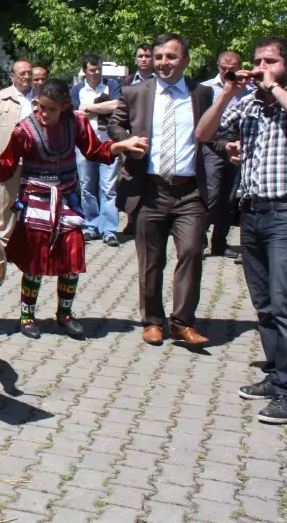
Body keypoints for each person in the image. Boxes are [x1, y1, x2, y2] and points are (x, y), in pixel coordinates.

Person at [196, 36, 287, 425]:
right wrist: (227, 94)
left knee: (286, 302)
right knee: (265, 304)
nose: (260, 67)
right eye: (257, 61)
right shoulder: (249, 101)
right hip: (253, 213)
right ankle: (276, 374)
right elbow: (205, 134)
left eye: (269, 61)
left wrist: (271, 85)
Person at [0, 79, 146, 339]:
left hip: (68, 200)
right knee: (35, 263)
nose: (43, 114)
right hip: (36, 203)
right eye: (40, 107)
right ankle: (27, 315)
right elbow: (6, 167)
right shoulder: (24, 130)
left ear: (64, 107)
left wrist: (120, 146)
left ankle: (65, 313)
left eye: (50, 109)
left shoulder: (77, 124)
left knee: (72, 259)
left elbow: (95, 151)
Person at [108, 34, 215, 347]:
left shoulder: (202, 94)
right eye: (158, 57)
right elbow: (116, 124)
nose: (163, 63)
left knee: (193, 253)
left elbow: (212, 135)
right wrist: (125, 139)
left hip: (190, 191)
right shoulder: (134, 91)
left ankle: (182, 323)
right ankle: (153, 321)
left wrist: (228, 148)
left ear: (185, 59)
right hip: (150, 190)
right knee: (152, 261)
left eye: (170, 57)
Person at [200, 50, 250, 256]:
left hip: (239, 143)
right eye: (223, 69)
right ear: (217, 65)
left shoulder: (249, 89)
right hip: (213, 144)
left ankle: (219, 243)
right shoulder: (205, 88)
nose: (227, 73)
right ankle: (199, 240)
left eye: (233, 69)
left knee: (229, 197)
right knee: (210, 195)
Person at [69, 54, 123, 246]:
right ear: (85, 71)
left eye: (99, 68)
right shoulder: (76, 90)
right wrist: (101, 108)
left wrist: (89, 108)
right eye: (92, 69)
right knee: (87, 187)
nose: (96, 72)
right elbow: (75, 112)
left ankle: (109, 230)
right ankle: (91, 226)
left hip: (108, 144)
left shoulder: (112, 85)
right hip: (83, 147)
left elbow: (116, 105)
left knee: (108, 188)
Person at [0, 61, 35, 240]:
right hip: (8, 162)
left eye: (29, 73)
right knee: (6, 203)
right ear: (12, 76)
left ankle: (29, 240)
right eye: (22, 73)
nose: (27, 77)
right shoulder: (0, 97)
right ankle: (4, 241)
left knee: (35, 202)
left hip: (35, 161)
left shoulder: (40, 98)